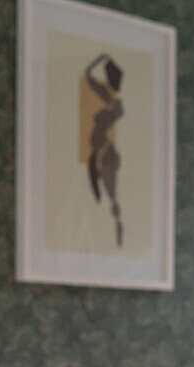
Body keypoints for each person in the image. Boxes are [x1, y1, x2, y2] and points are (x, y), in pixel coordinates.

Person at [84, 53, 124, 247]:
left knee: (110, 196)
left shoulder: (115, 104)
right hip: (102, 152)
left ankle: (118, 229)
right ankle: (116, 230)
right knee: (104, 195)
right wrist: (101, 58)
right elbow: (88, 74)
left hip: (106, 153)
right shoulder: (108, 97)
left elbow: (89, 73)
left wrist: (100, 59)